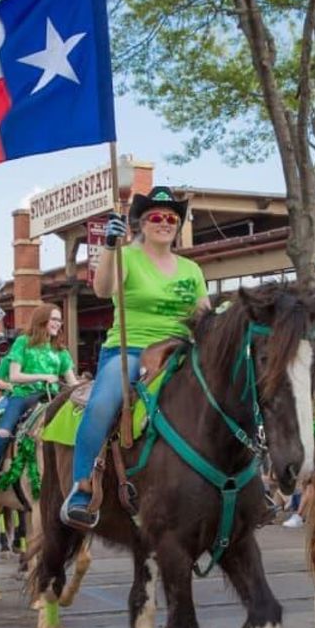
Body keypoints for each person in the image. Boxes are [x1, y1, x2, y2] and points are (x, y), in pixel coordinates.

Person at [62, 187, 209, 528]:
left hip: (182, 351)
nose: (164, 222)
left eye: (172, 218)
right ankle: (83, 487)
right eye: (156, 217)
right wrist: (110, 247)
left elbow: (204, 315)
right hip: (131, 351)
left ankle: (246, 481)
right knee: (102, 404)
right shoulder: (126, 255)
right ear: (142, 223)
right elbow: (102, 290)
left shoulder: (191, 269)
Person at [0, 304, 76, 502]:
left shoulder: (61, 351)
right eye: (53, 319)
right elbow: (14, 375)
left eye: (59, 320)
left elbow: (73, 383)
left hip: (52, 398)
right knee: (2, 433)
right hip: (22, 397)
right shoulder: (23, 342)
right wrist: (43, 376)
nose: (57, 324)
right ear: (41, 320)